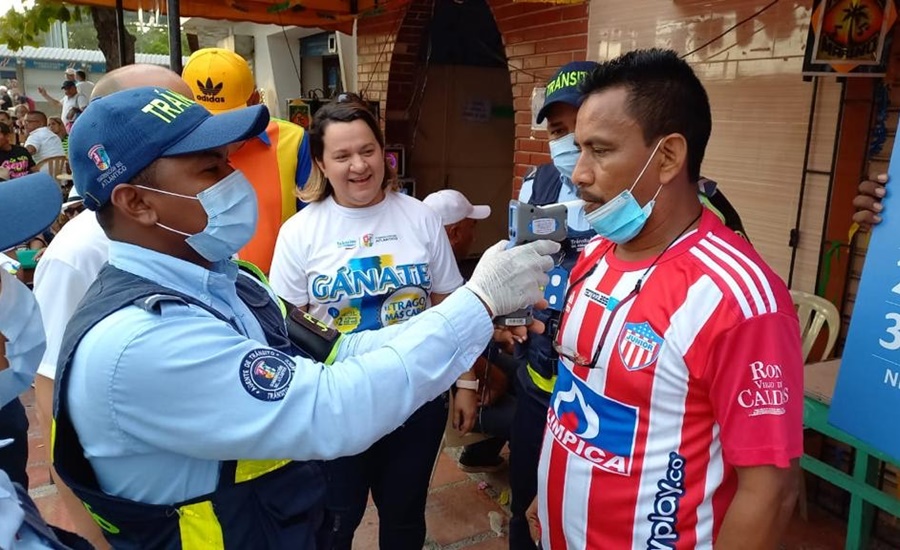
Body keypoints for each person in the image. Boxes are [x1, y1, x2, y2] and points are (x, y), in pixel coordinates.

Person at [53, 85, 556, 549]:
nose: (236, 181)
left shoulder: (234, 281)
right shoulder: (143, 339)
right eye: (211, 170)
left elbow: (339, 349)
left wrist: (469, 321)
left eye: (229, 164)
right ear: (136, 202)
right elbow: (331, 405)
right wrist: (479, 303)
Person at [527, 49, 802, 548]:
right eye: (577, 148)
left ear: (670, 156)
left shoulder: (738, 300)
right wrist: (551, 489)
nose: (579, 173)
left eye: (601, 150)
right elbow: (578, 394)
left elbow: (772, 491)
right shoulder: (595, 253)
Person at [268, 97, 486, 550]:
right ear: (322, 165)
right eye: (342, 156)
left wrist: (465, 383)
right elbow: (282, 324)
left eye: (367, 151)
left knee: (404, 516)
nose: (358, 166)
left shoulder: (420, 216)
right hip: (335, 401)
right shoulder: (300, 232)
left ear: (384, 153)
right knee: (334, 519)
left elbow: (449, 301)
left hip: (417, 396)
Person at [30, 64, 199, 550]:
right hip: (140, 504)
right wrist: (91, 532)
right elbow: (50, 400)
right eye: (167, 112)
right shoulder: (79, 252)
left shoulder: (191, 223)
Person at [182, 47, 311, 273]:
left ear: (255, 100)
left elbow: (314, 225)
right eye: (204, 119)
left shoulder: (294, 141)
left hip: (278, 293)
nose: (216, 131)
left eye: (229, 119)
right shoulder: (171, 149)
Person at [424, 188, 517, 473]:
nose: (474, 236)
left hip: (458, 377)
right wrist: (487, 376)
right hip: (445, 396)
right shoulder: (431, 277)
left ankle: (479, 455)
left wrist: (495, 334)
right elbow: (443, 341)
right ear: (453, 233)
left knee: (514, 369)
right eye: (471, 227)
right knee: (533, 418)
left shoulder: (437, 263)